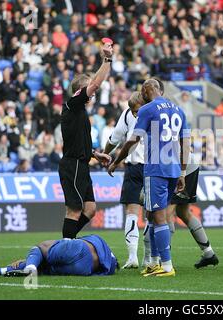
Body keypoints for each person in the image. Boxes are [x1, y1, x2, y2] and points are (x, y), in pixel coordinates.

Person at [108, 79, 191, 277]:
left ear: (146, 91)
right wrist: (182, 172)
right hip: (173, 169)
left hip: (155, 169)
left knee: (158, 217)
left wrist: (116, 160)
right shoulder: (178, 110)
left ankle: (167, 266)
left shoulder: (147, 109)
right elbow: (186, 142)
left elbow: (132, 141)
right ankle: (154, 262)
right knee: (153, 217)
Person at [59, 40, 113, 239]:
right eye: (89, 89)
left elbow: (77, 140)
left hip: (82, 163)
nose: (94, 92)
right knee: (73, 211)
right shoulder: (72, 105)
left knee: (89, 209)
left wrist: (95, 154)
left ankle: (68, 240)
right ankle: (65, 247)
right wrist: (107, 59)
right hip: (72, 165)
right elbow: (96, 83)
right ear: (79, 91)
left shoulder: (80, 112)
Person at [103, 91, 146, 269]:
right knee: (136, 212)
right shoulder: (131, 113)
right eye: (133, 111)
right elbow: (115, 137)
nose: (135, 114)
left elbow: (117, 139)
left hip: (144, 166)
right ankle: (136, 257)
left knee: (146, 213)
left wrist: (110, 156)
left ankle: (144, 257)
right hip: (145, 167)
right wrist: (105, 153)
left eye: (137, 111)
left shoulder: (133, 114)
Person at [0, 234, 118, 277]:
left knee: (40, 247)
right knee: (43, 267)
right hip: (84, 269)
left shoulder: (93, 239)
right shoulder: (110, 262)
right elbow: (112, 267)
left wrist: (32, 259)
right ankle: (0, 270)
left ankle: (30, 265)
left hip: (79, 248)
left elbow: (43, 250)